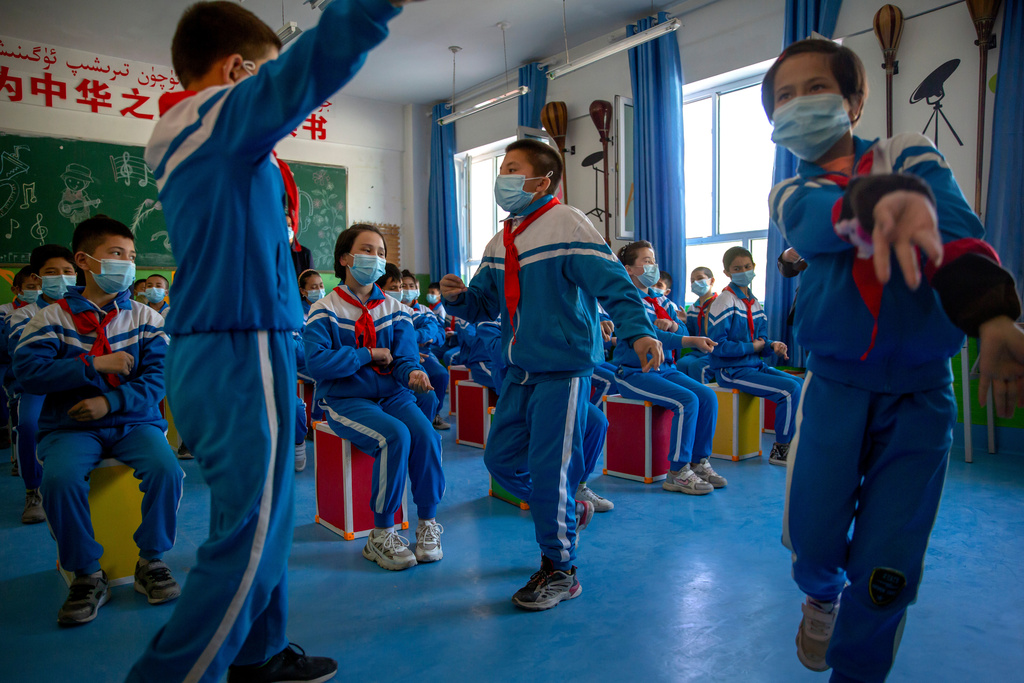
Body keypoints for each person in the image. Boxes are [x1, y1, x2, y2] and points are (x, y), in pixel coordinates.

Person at [131, 1, 418, 681]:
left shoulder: (194, 136)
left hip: (227, 342)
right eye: (260, 73)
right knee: (250, 543)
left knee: (259, 521)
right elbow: (312, 65)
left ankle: (258, 655)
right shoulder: (215, 118)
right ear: (237, 70)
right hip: (240, 342)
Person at [762, 38, 1024, 681]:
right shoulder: (790, 194)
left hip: (921, 397)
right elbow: (816, 225)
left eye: (814, 89)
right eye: (782, 99)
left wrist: (993, 316)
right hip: (834, 391)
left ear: (854, 102)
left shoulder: (906, 151)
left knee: (888, 568)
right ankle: (820, 599)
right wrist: (879, 206)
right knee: (813, 542)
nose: (798, 106)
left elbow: (958, 233)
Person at [441, 138, 663, 611]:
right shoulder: (499, 240)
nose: (504, 178)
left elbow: (614, 284)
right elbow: (482, 303)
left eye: (513, 169)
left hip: (564, 367)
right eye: (502, 168)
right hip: (519, 369)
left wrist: (639, 332)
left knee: (549, 471)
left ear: (543, 180)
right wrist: (456, 296)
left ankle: (560, 568)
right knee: (500, 460)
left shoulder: (568, 224)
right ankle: (567, 505)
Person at [13, 216, 183, 626]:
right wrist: (92, 365)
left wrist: (112, 403)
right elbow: (28, 372)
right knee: (58, 480)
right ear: (85, 260)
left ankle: (151, 560)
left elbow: (158, 379)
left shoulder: (146, 318)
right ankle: (86, 573)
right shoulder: (50, 317)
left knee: (168, 470)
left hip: (133, 422)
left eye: (131, 256)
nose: (126, 263)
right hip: (72, 427)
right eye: (115, 254)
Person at [305, 226, 444, 571]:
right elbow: (317, 362)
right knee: (394, 435)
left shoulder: (396, 309)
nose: (377, 258)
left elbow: (403, 357)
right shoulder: (325, 309)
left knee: (426, 434)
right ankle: (381, 533)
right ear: (345, 258)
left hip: (392, 395)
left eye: (382, 252)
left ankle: (427, 523)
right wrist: (367, 354)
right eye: (367, 250)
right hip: (345, 398)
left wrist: (411, 372)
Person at [613, 241, 723, 495]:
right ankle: (677, 472)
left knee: (707, 396)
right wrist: (688, 339)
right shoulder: (627, 300)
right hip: (635, 372)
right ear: (629, 269)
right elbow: (652, 335)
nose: (653, 266)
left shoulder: (662, 300)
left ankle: (699, 460)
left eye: (653, 260)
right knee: (687, 400)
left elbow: (682, 328)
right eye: (646, 261)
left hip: (665, 368)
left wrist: (675, 327)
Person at [707, 246, 803, 466]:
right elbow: (717, 347)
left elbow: (761, 341)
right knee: (789, 391)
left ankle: (797, 442)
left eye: (747, 266)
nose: (743, 271)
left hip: (754, 366)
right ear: (727, 272)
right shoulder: (724, 300)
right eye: (737, 268)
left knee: (800, 383)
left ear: (754, 267)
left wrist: (773, 345)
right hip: (731, 370)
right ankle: (780, 450)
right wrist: (754, 347)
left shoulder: (754, 302)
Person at [3, 246, 78, 524]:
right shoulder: (23, 315)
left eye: (67, 271)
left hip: (78, 382)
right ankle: (33, 491)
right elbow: (31, 361)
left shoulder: (82, 307)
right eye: (52, 272)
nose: (61, 277)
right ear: (38, 277)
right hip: (37, 386)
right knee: (29, 425)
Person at [401, 270, 450, 429]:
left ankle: (435, 414)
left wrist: (432, 338)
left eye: (411, 286)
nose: (408, 289)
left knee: (440, 374)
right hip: (405, 354)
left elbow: (440, 334)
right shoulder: (393, 308)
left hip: (426, 354)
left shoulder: (424, 310)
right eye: (403, 286)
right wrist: (413, 344)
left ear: (417, 288)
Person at [0, 266, 41, 454]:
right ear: (16, 289)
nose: (36, 291)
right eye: (31, 287)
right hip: (11, 367)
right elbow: (6, 347)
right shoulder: (8, 312)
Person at [676, 266, 717, 383]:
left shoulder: (720, 304)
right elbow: (691, 336)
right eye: (692, 281)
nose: (695, 283)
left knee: (697, 366)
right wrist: (684, 322)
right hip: (698, 352)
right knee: (681, 364)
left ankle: (703, 399)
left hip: (716, 352)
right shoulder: (693, 309)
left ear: (712, 281)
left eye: (700, 278)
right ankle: (686, 398)